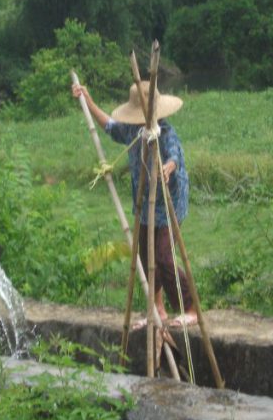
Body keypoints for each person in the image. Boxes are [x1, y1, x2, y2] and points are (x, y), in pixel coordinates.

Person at [72, 80, 199, 329]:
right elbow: (109, 125)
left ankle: (191, 307)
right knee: (145, 256)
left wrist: (168, 167)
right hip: (144, 201)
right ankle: (157, 308)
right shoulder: (132, 131)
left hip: (170, 201)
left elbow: (174, 155)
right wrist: (87, 100)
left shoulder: (165, 132)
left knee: (163, 256)